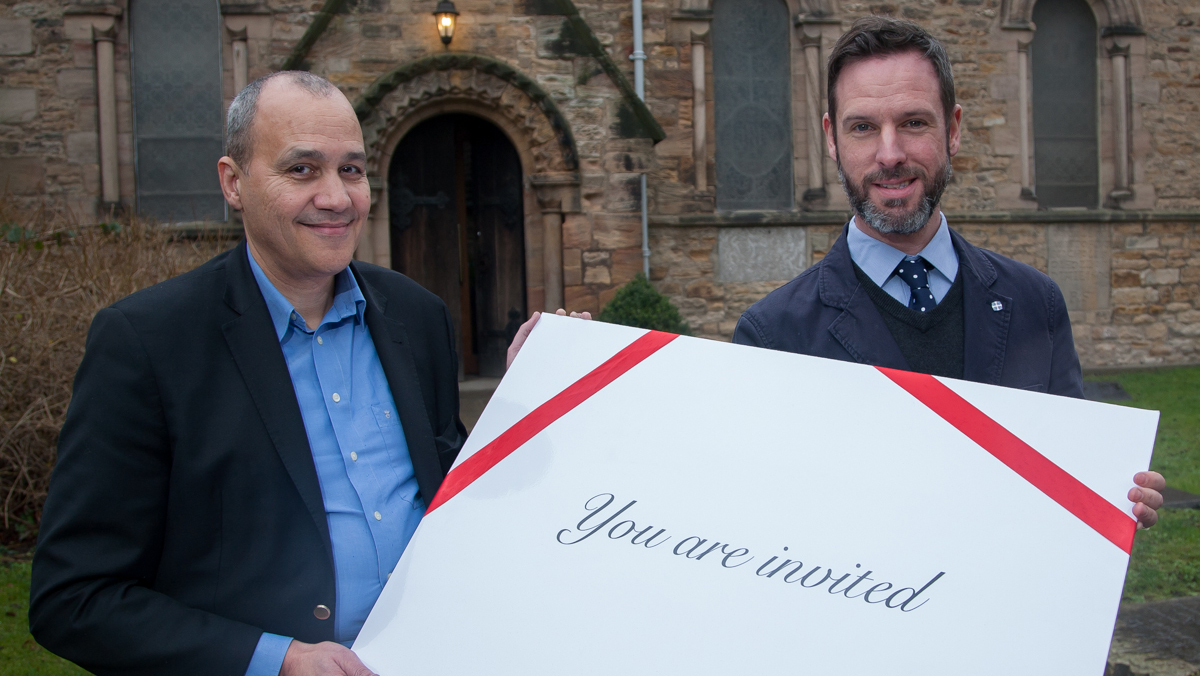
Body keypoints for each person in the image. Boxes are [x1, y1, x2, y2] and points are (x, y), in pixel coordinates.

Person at [31, 71, 480, 676]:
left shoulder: (416, 316)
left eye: (351, 169)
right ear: (233, 183)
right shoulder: (147, 343)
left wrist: (539, 388)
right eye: (302, 170)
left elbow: (452, 492)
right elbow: (74, 599)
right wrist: (278, 660)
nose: (336, 197)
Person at [732, 17, 1164, 526]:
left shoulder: (1035, 303)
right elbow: (768, 520)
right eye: (863, 127)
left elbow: (1067, 481)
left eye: (914, 123)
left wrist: (1112, 496)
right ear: (832, 138)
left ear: (953, 129)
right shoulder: (773, 335)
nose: (889, 155)